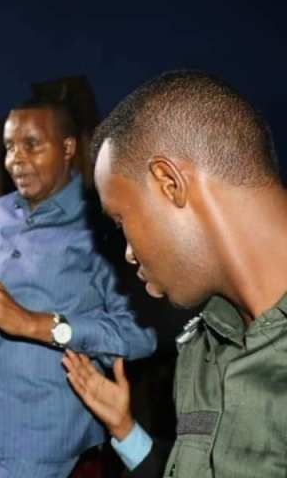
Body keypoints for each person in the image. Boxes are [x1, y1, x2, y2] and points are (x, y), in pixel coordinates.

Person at [62, 70, 287, 477]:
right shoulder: (203, 349)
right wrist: (126, 431)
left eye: (120, 221)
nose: (128, 253)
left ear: (169, 183)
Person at [0, 101, 157, 478]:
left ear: (67, 148)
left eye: (31, 145)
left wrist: (37, 324)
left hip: (45, 445)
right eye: (9, 147)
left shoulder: (102, 224)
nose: (16, 159)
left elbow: (140, 335)